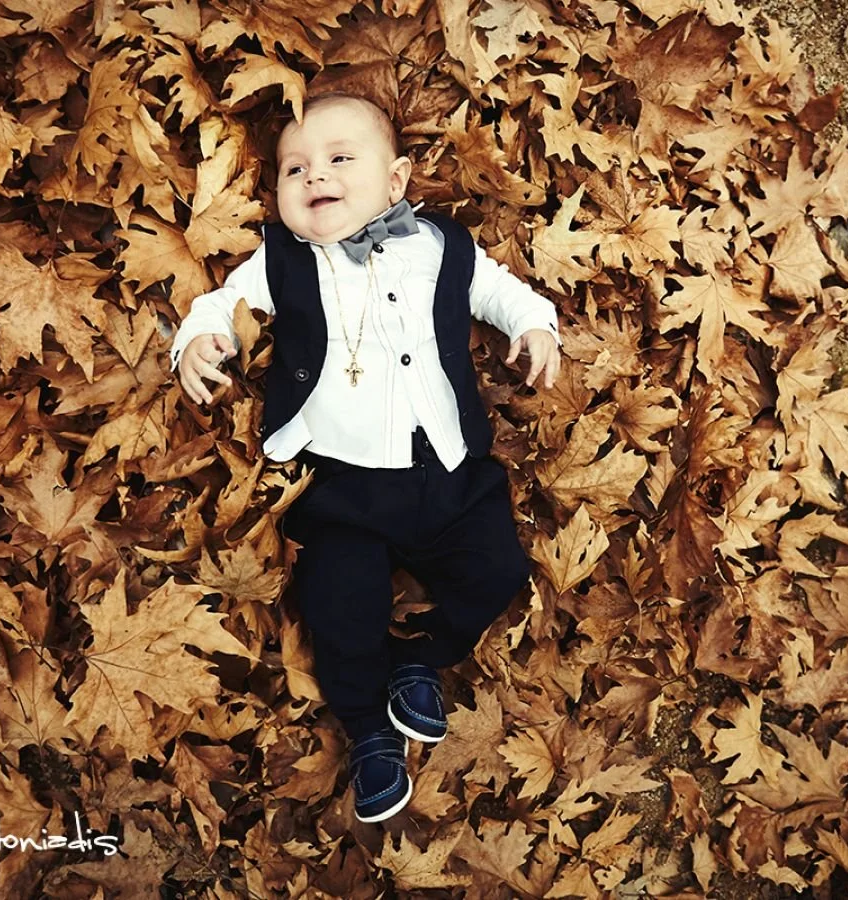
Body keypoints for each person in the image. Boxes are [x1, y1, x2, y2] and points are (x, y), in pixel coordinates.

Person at [171, 93, 561, 823]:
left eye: (340, 159)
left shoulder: (441, 246)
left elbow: (502, 293)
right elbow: (222, 301)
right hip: (340, 484)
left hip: (448, 467)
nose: (315, 175)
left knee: (498, 569)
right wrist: (197, 340)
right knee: (338, 606)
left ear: (396, 181)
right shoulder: (283, 261)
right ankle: (366, 727)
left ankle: (421, 658)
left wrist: (536, 326)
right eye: (294, 168)